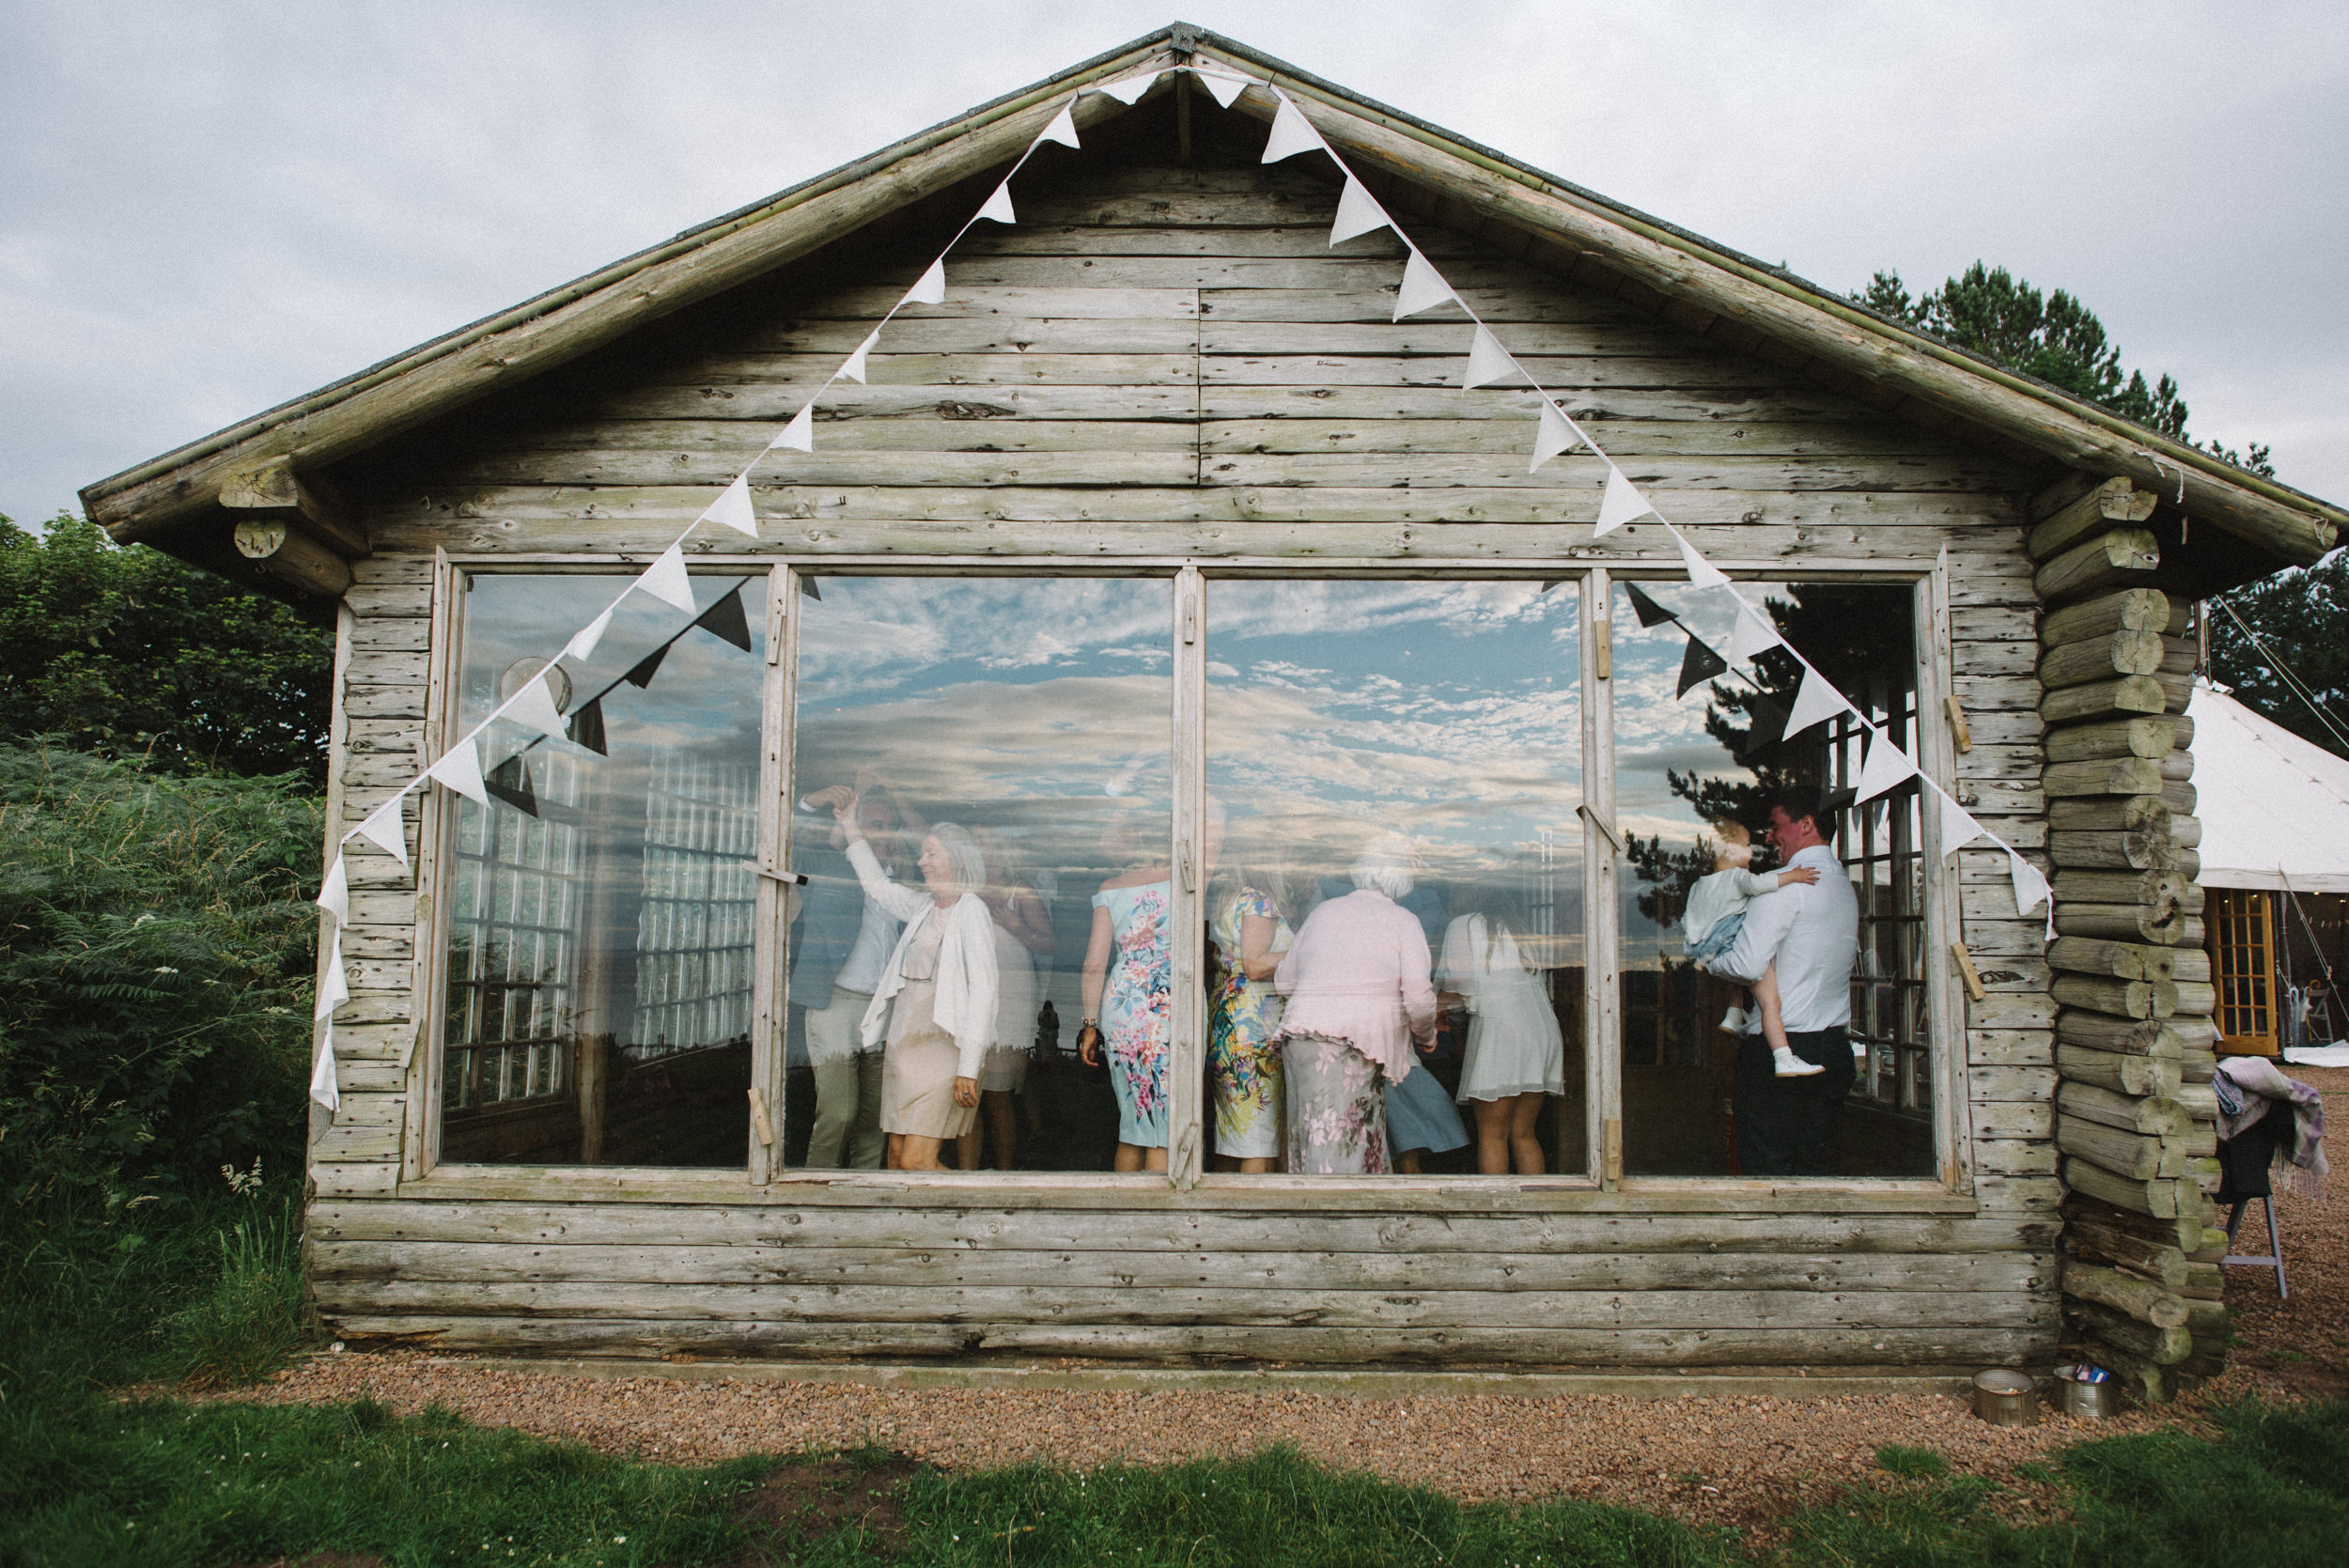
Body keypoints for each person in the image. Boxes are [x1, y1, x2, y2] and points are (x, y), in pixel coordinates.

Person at [835, 799, 999, 1172]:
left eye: (931, 853)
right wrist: (850, 826)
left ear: (957, 859)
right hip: (904, 1047)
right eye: (922, 853)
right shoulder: (922, 907)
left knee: (915, 1162)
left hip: (944, 1053)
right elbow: (876, 885)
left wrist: (969, 1067)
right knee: (894, 1160)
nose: (922, 861)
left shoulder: (971, 910)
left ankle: (976, 1211)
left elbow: (984, 993)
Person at [1710, 791, 1860, 1176]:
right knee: (1817, 1169)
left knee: (1769, 1174)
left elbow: (1745, 965)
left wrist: (1707, 959)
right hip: (1833, 1050)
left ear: (1806, 825)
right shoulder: (1843, 887)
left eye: (1776, 827)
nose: (1768, 838)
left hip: (1782, 1054)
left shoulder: (1782, 887)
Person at [1272, 832, 1439, 1174]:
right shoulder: (1403, 922)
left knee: (1315, 1139)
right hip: (1351, 1043)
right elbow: (1420, 999)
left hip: (1301, 1039)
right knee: (1343, 1145)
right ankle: (1335, 1220)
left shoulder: (1323, 911)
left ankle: (1316, 1209)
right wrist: (1427, 1037)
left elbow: (1284, 980)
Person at [787, 781, 922, 1168]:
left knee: (872, 1120)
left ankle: (863, 1198)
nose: (884, 834)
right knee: (839, 1112)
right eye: (874, 824)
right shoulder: (829, 867)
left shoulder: (904, 880)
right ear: (853, 828)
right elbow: (777, 845)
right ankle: (814, 1194)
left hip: (882, 1008)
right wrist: (811, 802)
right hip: (834, 1004)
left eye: (888, 826)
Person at [1439, 885, 1563, 1174]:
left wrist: (1430, 1009)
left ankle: (1495, 1213)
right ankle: (1535, 1210)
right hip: (1539, 1031)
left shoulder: (1464, 924)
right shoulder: (1518, 928)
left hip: (1502, 1031)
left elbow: (1458, 984)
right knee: (1523, 1134)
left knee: (1493, 1136)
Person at [1684, 820, 1823, 1079]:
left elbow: (1688, 922)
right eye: (1747, 846)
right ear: (1730, 849)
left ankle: (1733, 1016)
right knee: (1771, 1002)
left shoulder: (1699, 885)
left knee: (1740, 975)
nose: (1752, 852)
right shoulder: (1737, 877)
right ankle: (1784, 1058)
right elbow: (1759, 885)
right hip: (1730, 946)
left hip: (1707, 951)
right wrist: (1794, 876)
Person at [1079, 821, 1174, 1172]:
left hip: (1124, 1007)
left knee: (1135, 1123)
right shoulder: (1180, 881)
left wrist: (1090, 1026)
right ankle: (1154, 1222)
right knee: (1164, 1125)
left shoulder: (1110, 889)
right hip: (1167, 1001)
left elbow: (1093, 966)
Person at [958, 830, 1041, 1172]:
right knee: (965, 1100)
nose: (980, 846)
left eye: (988, 839)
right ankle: (965, 1178)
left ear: (1003, 846)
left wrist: (1016, 926)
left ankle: (1005, 1176)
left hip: (1009, 1003)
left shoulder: (1020, 890)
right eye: (974, 840)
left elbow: (1050, 944)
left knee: (998, 1097)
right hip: (968, 1001)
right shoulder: (963, 891)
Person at [1207, 856, 1294, 1173]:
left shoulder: (1228, 902)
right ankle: (1251, 1219)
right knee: (1259, 1141)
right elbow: (1255, 965)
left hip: (1228, 1027)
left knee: (1234, 1139)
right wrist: (1305, 951)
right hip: (1254, 1033)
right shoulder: (1259, 903)